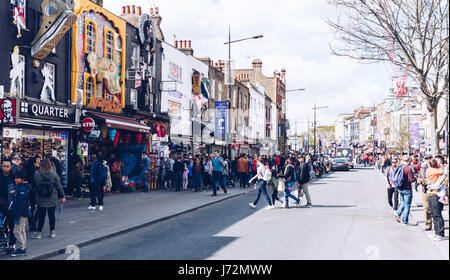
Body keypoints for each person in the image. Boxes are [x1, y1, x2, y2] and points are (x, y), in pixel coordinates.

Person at [31, 158, 65, 239]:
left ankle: (39, 233)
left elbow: (35, 183)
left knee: (41, 216)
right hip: (52, 197)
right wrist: (62, 196)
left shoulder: (36, 173)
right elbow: (59, 186)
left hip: (40, 197)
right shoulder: (53, 174)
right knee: (51, 215)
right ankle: (52, 232)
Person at [10, 170, 32, 257]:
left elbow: (20, 204)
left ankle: (22, 248)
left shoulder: (22, 189)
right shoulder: (23, 187)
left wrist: (16, 214)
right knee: (21, 230)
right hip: (24, 212)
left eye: (17, 178)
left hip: (21, 213)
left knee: (16, 231)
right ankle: (23, 247)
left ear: (22, 179)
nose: (15, 180)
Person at [426, 156, 447, 241]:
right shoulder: (436, 171)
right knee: (433, 214)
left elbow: (439, 184)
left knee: (437, 214)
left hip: (436, 195)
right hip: (432, 194)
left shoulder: (443, 173)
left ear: (440, 163)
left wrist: (431, 186)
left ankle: (440, 233)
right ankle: (436, 232)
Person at [395, 155, 417, 226]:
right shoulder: (408, 169)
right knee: (407, 205)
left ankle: (398, 213)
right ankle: (405, 220)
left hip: (400, 188)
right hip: (407, 188)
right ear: (409, 160)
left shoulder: (399, 167)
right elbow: (411, 180)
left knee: (403, 203)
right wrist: (415, 177)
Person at [0, 159, 16, 252]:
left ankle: (12, 244)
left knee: (11, 224)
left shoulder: (14, 177)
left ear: (11, 167)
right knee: (2, 225)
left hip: (10, 204)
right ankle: (4, 242)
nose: (5, 168)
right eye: (3, 166)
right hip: (1, 203)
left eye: (7, 166)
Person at [24, 156, 40, 231]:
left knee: (30, 208)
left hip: (27, 190)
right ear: (34, 163)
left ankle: (31, 223)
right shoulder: (35, 171)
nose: (39, 163)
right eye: (37, 162)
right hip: (34, 191)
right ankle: (33, 222)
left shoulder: (25, 170)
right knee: (40, 207)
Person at [418, 154, 433, 230]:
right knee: (426, 208)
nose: (428, 160)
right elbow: (419, 177)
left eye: (430, 158)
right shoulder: (423, 168)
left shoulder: (435, 167)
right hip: (425, 190)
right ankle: (428, 224)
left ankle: (437, 223)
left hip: (434, 191)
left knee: (435, 209)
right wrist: (419, 180)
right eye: (426, 158)